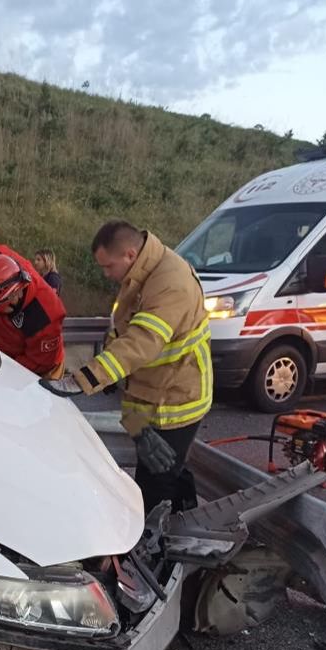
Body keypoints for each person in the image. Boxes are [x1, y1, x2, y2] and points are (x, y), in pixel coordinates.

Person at [42, 219, 212, 514]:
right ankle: (187, 525)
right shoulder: (143, 272)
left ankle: (159, 552)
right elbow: (124, 335)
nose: (106, 274)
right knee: (165, 469)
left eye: (108, 266)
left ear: (130, 255)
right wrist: (109, 374)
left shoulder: (171, 283)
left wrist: (86, 378)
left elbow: (140, 343)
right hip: (145, 392)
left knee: (155, 486)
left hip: (175, 400)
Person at [0, 252, 66, 377]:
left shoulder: (44, 316)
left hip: (43, 368)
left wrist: (3, 371)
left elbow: (38, 362)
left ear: (11, 298)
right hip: (6, 353)